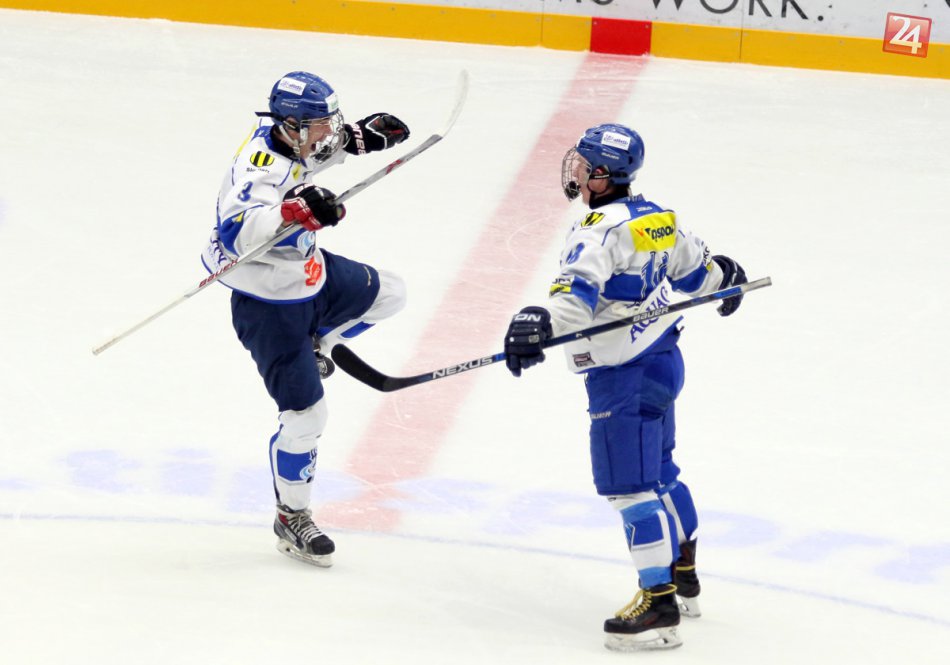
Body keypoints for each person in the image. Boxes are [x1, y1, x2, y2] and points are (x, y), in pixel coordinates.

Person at [503, 123, 748, 651]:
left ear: (601, 174)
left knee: (630, 490)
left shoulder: (595, 231)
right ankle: (683, 575)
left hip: (622, 375)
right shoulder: (655, 217)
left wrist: (539, 321)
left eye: (581, 163)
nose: (573, 170)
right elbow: (698, 275)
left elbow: (575, 301)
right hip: (663, 361)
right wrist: (726, 276)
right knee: (661, 473)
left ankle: (658, 604)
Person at [200, 71, 410, 568]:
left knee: (390, 293)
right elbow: (235, 232)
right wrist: (290, 213)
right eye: (319, 125)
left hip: (311, 275)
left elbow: (315, 155)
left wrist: (357, 138)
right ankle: (291, 516)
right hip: (268, 306)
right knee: (306, 419)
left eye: (329, 122)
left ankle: (321, 343)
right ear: (291, 125)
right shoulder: (259, 169)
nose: (326, 133)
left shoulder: (292, 137)